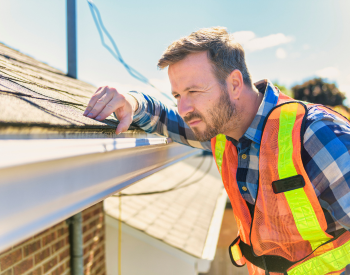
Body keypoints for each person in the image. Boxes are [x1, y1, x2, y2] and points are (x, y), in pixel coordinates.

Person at [84, 27, 350, 275]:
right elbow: (164, 117)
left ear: (234, 84)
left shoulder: (316, 134)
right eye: (177, 95)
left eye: (194, 91)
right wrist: (131, 100)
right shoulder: (221, 130)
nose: (184, 108)